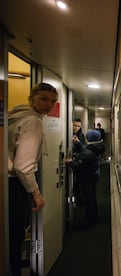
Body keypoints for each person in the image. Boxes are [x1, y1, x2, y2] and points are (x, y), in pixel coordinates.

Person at [8, 82, 58, 276]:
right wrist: (36, 193)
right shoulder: (33, 121)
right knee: (15, 237)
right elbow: (23, 166)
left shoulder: (15, 115)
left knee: (10, 236)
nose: (48, 104)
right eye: (43, 99)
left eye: (52, 101)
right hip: (16, 185)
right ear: (32, 98)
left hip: (9, 183)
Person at [66, 130, 105, 227]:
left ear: (88, 139)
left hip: (87, 178)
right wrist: (79, 144)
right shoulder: (97, 147)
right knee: (92, 198)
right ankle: (93, 217)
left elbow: (78, 165)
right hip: (93, 176)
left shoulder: (87, 154)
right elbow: (86, 150)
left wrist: (70, 162)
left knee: (89, 200)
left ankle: (89, 220)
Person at [71, 118, 87, 205]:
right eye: (75, 125)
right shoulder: (67, 134)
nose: (76, 128)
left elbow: (84, 149)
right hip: (71, 161)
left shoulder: (81, 136)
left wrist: (78, 143)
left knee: (78, 182)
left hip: (78, 161)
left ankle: (78, 199)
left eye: (78, 126)